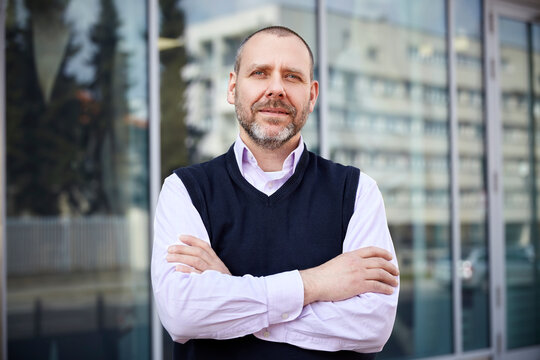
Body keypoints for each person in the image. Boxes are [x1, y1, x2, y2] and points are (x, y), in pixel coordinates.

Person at [151, 26, 399, 360]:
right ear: (233, 87)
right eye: (260, 73)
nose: (276, 89)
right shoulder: (185, 190)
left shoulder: (356, 193)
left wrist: (232, 293)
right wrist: (316, 284)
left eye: (292, 77)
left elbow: (373, 326)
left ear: (311, 95)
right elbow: (182, 314)